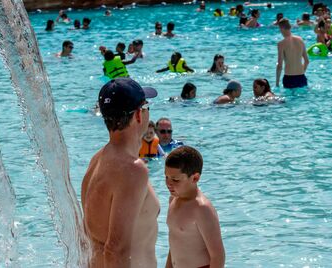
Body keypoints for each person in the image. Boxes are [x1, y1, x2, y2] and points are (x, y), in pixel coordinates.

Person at [82, 78, 159, 268]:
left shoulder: (98, 160)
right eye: (147, 106)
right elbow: (116, 249)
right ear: (139, 115)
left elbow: (87, 237)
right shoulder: (132, 169)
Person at [165, 146, 225, 268]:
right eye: (166, 177)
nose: (168, 183)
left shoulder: (202, 209)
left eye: (175, 179)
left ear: (195, 178)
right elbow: (175, 243)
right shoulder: (173, 200)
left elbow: (218, 256)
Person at [276, 18, 310, 88]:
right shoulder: (300, 40)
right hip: (301, 77)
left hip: (289, 78)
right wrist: (301, 73)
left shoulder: (281, 44)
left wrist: (277, 83)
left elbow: (280, 65)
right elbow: (307, 61)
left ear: (282, 29)